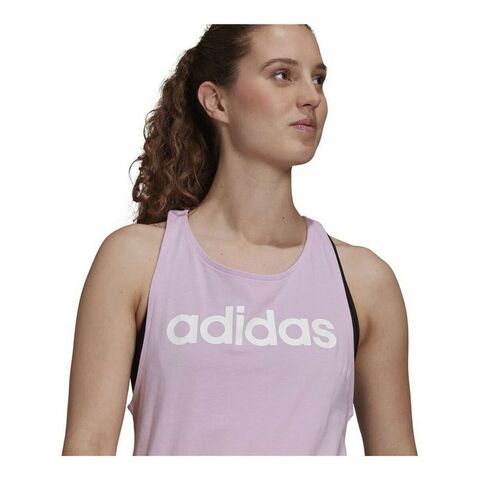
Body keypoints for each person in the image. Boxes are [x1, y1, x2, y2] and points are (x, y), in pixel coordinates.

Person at [62, 24, 417, 456]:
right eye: (283, 75)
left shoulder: (365, 282)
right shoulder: (135, 261)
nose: (312, 96)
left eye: (318, 78)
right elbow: (89, 449)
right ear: (217, 101)